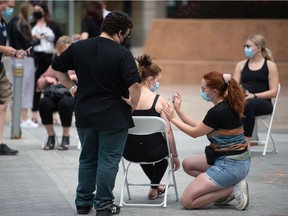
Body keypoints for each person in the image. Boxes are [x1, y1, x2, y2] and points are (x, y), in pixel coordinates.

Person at [52, 11, 141, 215]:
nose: (126, 38)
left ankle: (83, 203)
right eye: (126, 34)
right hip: (114, 115)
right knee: (108, 160)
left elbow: (57, 66)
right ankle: (103, 204)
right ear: (120, 32)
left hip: (85, 113)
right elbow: (135, 84)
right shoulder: (122, 54)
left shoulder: (79, 47)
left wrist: (72, 88)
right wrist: (133, 103)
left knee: (88, 158)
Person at [163, 71, 251, 211]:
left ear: (214, 91)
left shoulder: (218, 111)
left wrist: (173, 119)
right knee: (188, 164)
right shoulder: (228, 104)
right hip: (238, 162)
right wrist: (178, 111)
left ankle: (233, 189)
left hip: (230, 166)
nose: (201, 91)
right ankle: (223, 187)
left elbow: (195, 133)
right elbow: (201, 126)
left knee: (187, 201)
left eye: (203, 89)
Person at [123, 54, 180, 200]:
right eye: (158, 80)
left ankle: (156, 186)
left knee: (140, 143)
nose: (158, 84)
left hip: (129, 151)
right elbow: (168, 131)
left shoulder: (128, 98)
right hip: (154, 153)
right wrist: (175, 155)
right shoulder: (159, 101)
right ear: (150, 79)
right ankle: (154, 187)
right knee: (161, 155)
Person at [233, 34, 279, 148]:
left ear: (258, 48)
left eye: (248, 46)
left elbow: (274, 92)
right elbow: (233, 87)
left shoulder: (270, 65)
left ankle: (246, 143)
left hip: (263, 103)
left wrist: (254, 95)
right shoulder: (241, 65)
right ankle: (227, 140)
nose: (245, 49)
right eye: (244, 46)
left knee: (247, 104)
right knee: (227, 105)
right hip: (244, 100)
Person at [37, 36, 76, 151]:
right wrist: (47, 79)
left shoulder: (77, 63)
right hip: (55, 94)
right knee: (44, 103)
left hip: (71, 95)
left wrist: (73, 77)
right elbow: (40, 83)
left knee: (65, 104)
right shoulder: (56, 64)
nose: (64, 54)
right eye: (62, 51)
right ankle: (51, 135)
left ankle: (66, 135)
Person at [0, 0, 27, 155]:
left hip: (0, 68)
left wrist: (16, 52)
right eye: (9, 6)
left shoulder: (3, 22)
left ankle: (0, 143)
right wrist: (4, 49)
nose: (11, 9)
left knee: (3, 105)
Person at [7, 1, 38, 128]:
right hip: (25, 59)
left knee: (16, 88)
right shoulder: (23, 25)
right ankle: (25, 119)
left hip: (15, 58)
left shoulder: (11, 23)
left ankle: (15, 118)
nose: (32, 16)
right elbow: (27, 45)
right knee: (26, 89)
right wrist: (36, 40)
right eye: (31, 13)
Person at [31, 1, 62, 124]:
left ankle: (53, 113)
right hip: (36, 56)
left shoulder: (52, 25)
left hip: (49, 56)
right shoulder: (32, 24)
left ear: (44, 11)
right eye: (35, 10)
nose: (37, 12)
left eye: (39, 9)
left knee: (52, 82)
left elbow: (59, 39)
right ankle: (34, 112)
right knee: (36, 84)